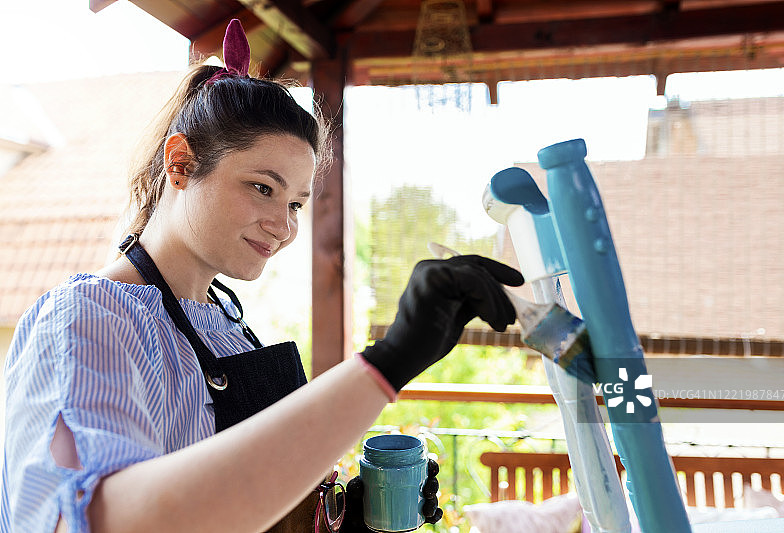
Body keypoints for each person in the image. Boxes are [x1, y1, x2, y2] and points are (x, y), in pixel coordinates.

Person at [0, 19, 523, 533]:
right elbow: (97, 520)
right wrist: (389, 362)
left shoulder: (223, 322)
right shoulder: (87, 321)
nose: (284, 226)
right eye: (262, 188)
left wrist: (342, 517)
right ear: (180, 164)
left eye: (296, 203)